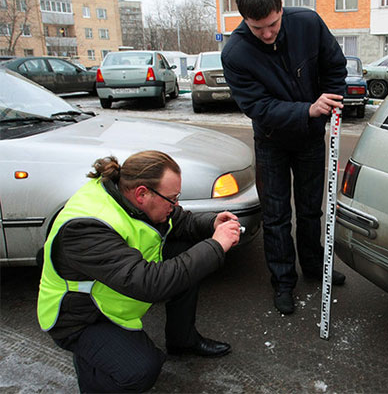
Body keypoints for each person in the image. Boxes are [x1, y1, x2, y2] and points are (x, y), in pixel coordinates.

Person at [37, 150, 242, 393]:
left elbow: (180, 221)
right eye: (172, 198)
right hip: (81, 317)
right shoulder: (86, 227)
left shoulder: (132, 195)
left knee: (185, 250)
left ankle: (182, 340)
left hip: (113, 291)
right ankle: (91, 372)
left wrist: (211, 224)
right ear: (142, 193)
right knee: (141, 369)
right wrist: (216, 245)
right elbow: (149, 284)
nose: (175, 204)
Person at [221, 0, 347, 315]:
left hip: (309, 139)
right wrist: (307, 109)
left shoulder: (307, 22)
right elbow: (257, 107)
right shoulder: (235, 52)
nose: (266, 34)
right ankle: (282, 282)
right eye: (257, 27)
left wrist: (331, 100)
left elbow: (334, 66)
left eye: (273, 24)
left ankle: (315, 267)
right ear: (244, 19)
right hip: (271, 142)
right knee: (276, 216)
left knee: (310, 210)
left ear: (281, 8)